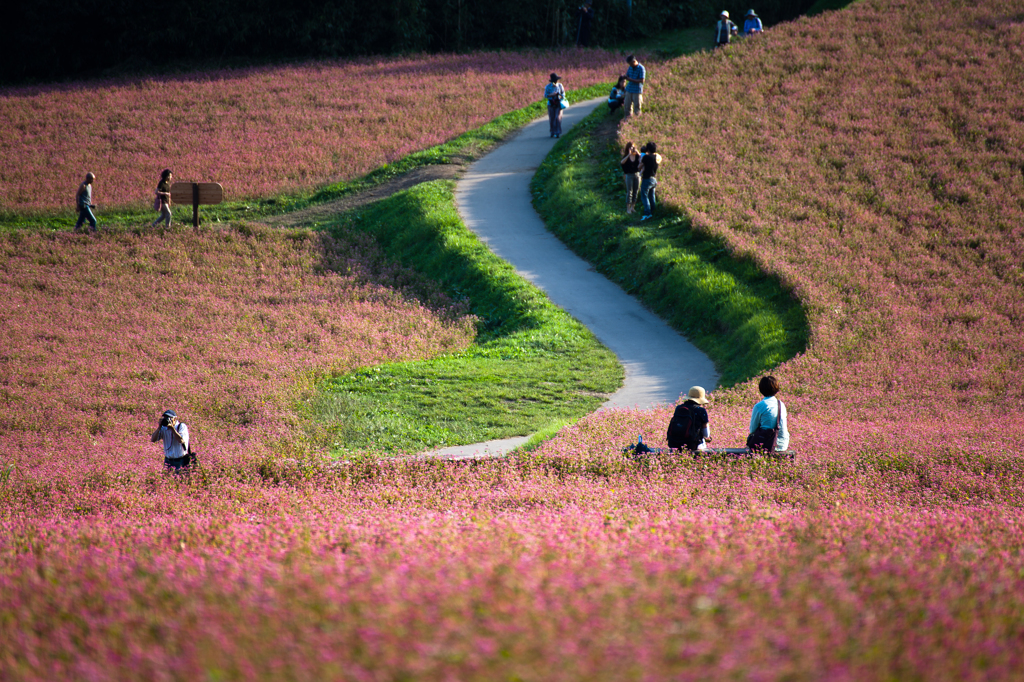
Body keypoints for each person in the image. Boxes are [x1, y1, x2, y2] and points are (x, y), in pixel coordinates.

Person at [747, 375, 790, 451]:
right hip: (782, 445)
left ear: (761, 389)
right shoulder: (781, 404)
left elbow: (752, 430)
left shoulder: (759, 406)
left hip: (767, 444)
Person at [666, 386, 712, 451]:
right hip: (692, 445)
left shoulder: (679, 408)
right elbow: (706, 434)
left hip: (674, 444)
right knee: (702, 444)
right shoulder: (701, 410)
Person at [638, 141, 661, 221]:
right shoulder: (657, 157)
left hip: (647, 178)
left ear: (648, 149)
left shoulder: (646, 157)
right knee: (651, 195)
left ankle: (647, 213)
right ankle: (653, 211)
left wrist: (641, 160)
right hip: (654, 179)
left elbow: (640, 166)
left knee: (644, 195)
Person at [620, 142, 641, 214]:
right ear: (628, 148)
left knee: (636, 191)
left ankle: (633, 207)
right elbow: (622, 162)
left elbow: (643, 160)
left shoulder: (637, 156)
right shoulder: (626, 156)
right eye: (630, 147)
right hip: (629, 175)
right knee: (629, 192)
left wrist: (638, 153)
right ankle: (628, 208)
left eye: (633, 147)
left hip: (637, 174)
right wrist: (629, 155)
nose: (632, 148)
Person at [544, 73, 566, 138]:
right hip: (551, 104)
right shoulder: (548, 87)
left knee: (558, 118)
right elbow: (546, 95)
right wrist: (552, 94)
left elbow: (563, 95)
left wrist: (559, 95)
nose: (556, 82)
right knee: (552, 118)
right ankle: (552, 131)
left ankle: (558, 132)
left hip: (558, 103)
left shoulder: (560, 86)